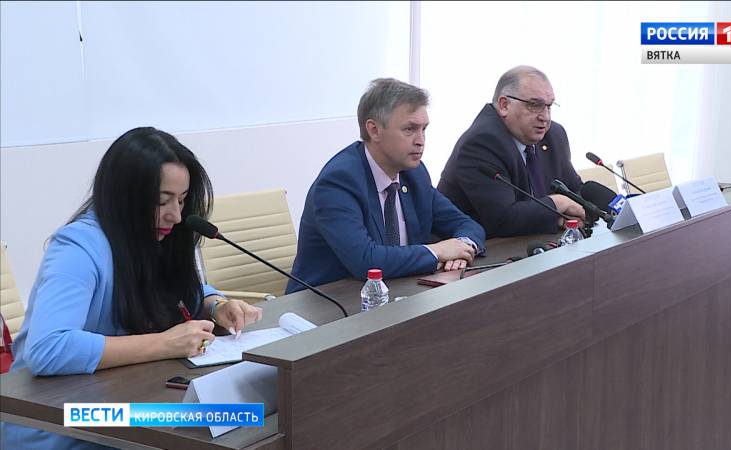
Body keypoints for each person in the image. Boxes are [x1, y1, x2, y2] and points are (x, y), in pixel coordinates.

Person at [1, 127, 262, 450]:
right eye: (162, 201)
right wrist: (164, 343)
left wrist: (215, 304)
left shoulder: (150, 234)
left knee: (247, 419)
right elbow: (49, 349)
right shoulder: (78, 247)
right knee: (226, 424)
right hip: (62, 424)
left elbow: (178, 288)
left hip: (121, 404)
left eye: (182, 200)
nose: (176, 215)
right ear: (124, 196)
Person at [287, 78, 486, 293]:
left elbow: (466, 224)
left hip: (398, 292)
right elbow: (366, 261)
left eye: (424, 129)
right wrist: (436, 252)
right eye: (409, 129)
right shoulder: (338, 182)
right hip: (327, 302)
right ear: (374, 130)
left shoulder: (414, 174)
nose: (420, 140)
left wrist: (462, 249)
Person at [437, 66, 586, 238]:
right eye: (534, 105)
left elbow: (574, 192)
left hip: (531, 243)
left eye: (549, 106)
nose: (545, 117)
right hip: (478, 250)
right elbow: (503, 219)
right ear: (504, 105)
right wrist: (557, 204)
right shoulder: (482, 142)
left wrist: (564, 214)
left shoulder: (553, 135)